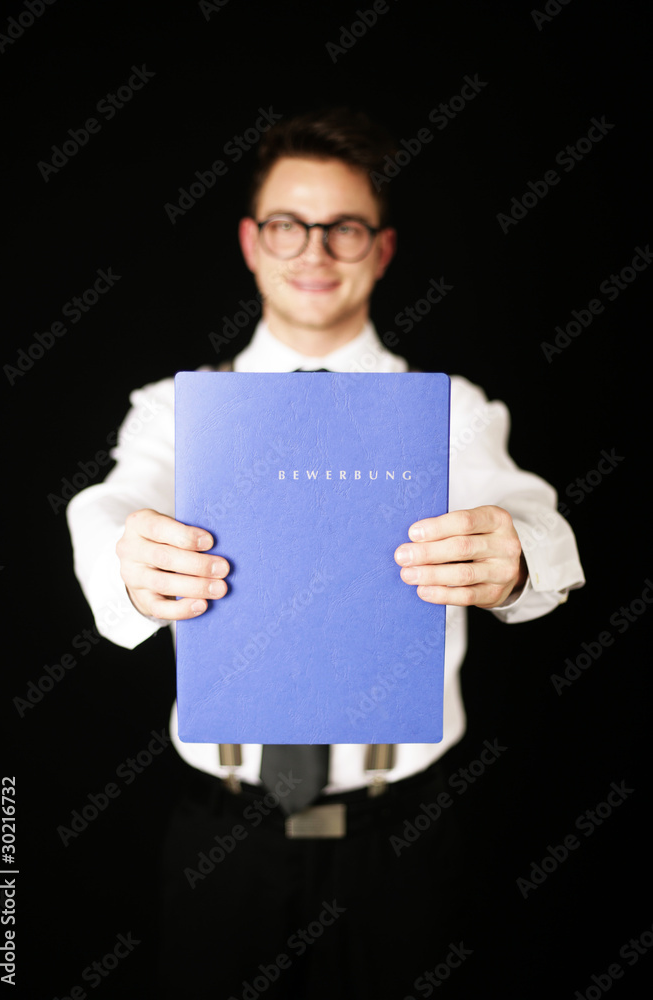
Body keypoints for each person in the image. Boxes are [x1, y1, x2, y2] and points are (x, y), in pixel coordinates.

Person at [66, 108, 585, 998]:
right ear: (250, 242)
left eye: (343, 227)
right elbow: (113, 499)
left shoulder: (449, 409)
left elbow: (532, 512)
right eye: (287, 225)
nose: (313, 251)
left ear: (380, 250)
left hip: (401, 845)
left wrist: (519, 555)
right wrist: (124, 552)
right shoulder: (175, 409)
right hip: (222, 842)